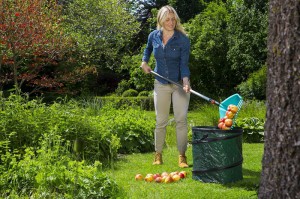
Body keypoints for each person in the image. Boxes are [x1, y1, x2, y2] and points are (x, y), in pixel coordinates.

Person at [140, 5, 191, 168]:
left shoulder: (183, 39)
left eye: (173, 18)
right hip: (160, 83)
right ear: (161, 20)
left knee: (181, 120)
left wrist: (185, 80)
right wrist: (144, 62)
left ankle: (182, 156)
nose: (171, 22)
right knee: (161, 121)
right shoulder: (153, 36)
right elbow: (148, 50)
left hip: (178, 84)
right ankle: (158, 154)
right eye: (167, 19)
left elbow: (184, 63)